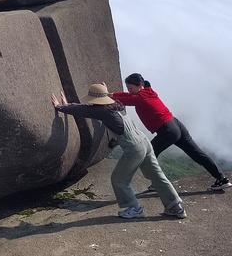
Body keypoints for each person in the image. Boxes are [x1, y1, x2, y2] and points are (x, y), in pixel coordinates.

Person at [52, 83, 186, 219]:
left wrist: (62, 107)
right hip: (144, 141)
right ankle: (175, 206)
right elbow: (86, 108)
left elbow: (83, 110)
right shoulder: (116, 105)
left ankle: (135, 208)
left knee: (119, 179)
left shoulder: (101, 111)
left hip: (134, 147)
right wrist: (69, 105)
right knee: (157, 175)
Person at [110, 73, 231, 191]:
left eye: (131, 88)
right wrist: (111, 94)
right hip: (176, 125)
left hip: (167, 130)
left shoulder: (141, 97)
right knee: (197, 154)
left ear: (139, 86)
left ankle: (158, 184)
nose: (129, 90)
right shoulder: (147, 93)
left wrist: (108, 96)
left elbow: (127, 99)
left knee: (148, 154)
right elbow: (127, 95)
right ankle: (222, 179)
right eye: (128, 87)